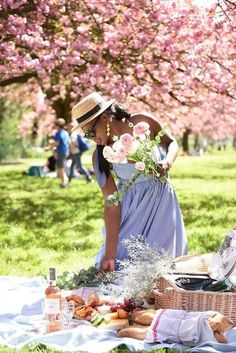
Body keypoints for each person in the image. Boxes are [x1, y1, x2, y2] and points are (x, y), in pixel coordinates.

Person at [71, 92, 187, 272]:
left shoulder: (142, 122)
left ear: (104, 118)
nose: (93, 139)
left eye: (91, 132)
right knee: (121, 266)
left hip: (162, 204)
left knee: (163, 267)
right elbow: (111, 203)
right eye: (88, 136)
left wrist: (167, 162)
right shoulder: (100, 155)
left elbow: (171, 143)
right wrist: (110, 254)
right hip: (133, 212)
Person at [50, 118, 70, 187]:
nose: (54, 126)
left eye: (55, 125)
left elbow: (57, 144)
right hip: (66, 152)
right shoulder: (66, 132)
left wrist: (51, 143)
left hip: (60, 151)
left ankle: (63, 182)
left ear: (58, 125)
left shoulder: (58, 133)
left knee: (60, 167)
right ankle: (66, 179)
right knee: (62, 167)